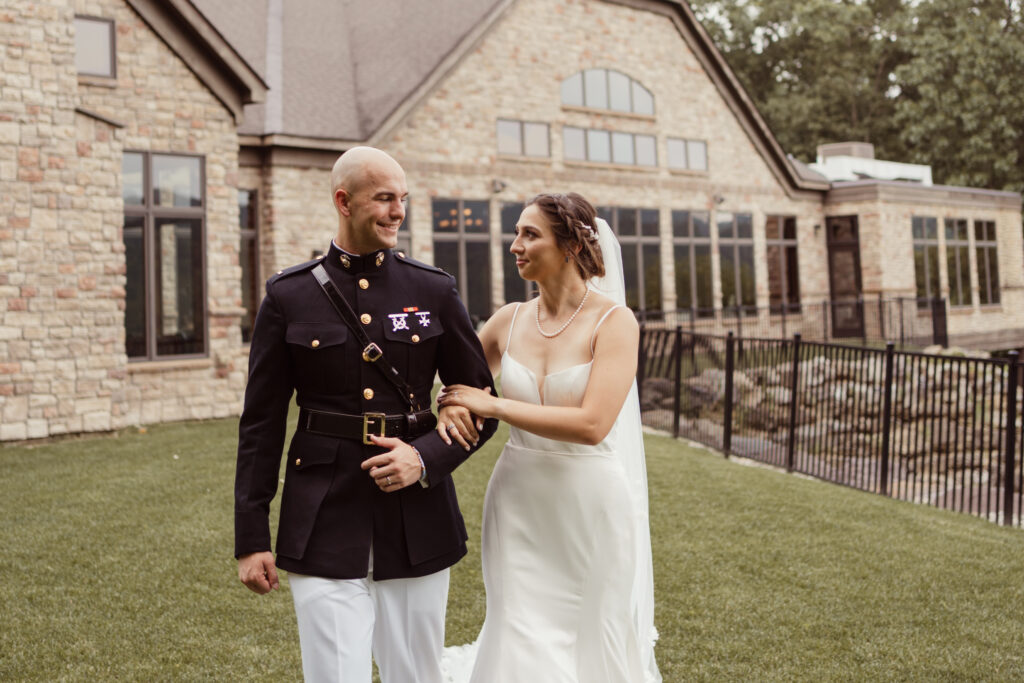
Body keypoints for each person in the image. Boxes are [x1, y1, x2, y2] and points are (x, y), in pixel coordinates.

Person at [234, 146, 497, 683]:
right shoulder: (289, 295)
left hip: (417, 518)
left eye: (402, 198)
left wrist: (423, 459)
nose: (398, 211)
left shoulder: (433, 289)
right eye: (384, 198)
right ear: (343, 201)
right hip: (322, 512)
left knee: (416, 674)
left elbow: (481, 406)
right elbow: (260, 423)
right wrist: (251, 536)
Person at [436, 193, 661, 682]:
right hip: (517, 498)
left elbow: (592, 424)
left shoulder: (615, 323)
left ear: (571, 245)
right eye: (516, 233)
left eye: (529, 234)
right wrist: (451, 404)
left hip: (591, 504)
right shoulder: (507, 320)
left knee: (590, 631)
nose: (515, 244)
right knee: (517, 625)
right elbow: (454, 386)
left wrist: (492, 403)